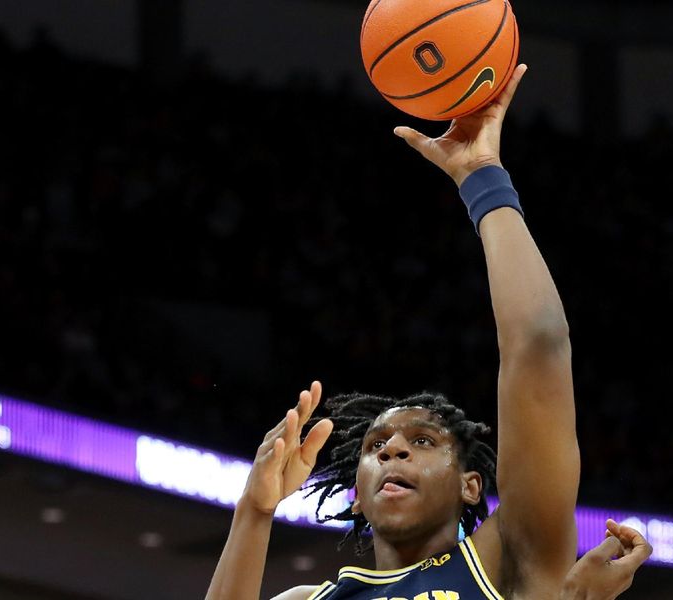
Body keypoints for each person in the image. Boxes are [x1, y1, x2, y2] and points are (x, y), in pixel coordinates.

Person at [206, 64, 602, 599]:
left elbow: (540, 345)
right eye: (376, 447)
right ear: (357, 499)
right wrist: (254, 511)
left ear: (470, 486)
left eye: (421, 441)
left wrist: (482, 176)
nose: (392, 450)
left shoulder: (506, 558)